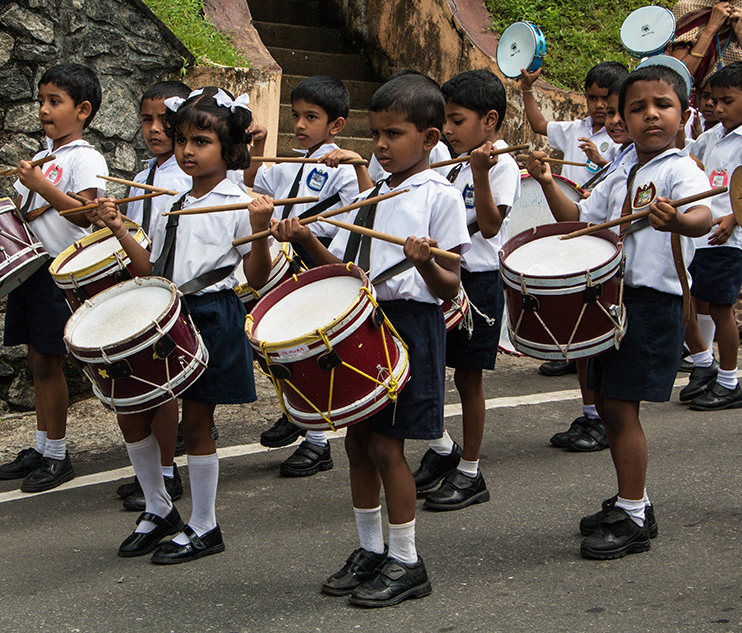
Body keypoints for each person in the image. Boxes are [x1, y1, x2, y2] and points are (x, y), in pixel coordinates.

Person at [270, 72, 469, 607]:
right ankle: (371, 548)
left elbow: (452, 284)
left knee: (387, 445)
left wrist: (428, 264)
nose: (380, 146)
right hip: (364, 321)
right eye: (376, 134)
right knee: (357, 441)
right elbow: (345, 270)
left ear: (429, 139)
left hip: (411, 325)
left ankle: (407, 559)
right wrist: (308, 238)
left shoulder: (440, 196)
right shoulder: (372, 193)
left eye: (394, 135)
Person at [525, 65, 713, 559]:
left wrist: (678, 218)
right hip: (614, 301)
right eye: (637, 108)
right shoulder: (620, 167)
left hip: (651, 303)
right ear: (623, 119)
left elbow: (703, 216)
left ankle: (632, 513)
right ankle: (636, 500)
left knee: (623, 410)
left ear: (684, 113)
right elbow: (581, 224)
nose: (650, 115)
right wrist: (547, 182)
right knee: (607, 403)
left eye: (663, 105)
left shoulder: (679, 167)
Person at [96, 87, 273, 564]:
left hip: (213, 314)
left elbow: (256, 277)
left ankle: (204, 523)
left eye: (201, 142)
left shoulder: (240, 202)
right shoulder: (171, 200)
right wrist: (117, 228)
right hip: (165, 313)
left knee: (197, 422)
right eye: (182, 141)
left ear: (230, 151)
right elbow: (149, 268)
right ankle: (158, 508)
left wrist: (259, 232)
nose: (187, 151)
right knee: (132, 408)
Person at [0, 63, 106, 492]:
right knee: (37, 362)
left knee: (49, 362)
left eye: (55, 102)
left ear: (83, 109)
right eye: (41, 101)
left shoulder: (85, 157)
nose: (43, 110)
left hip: (61, 271)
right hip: (30, 271)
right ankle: (42, 445)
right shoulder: (40, 159)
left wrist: (39, 181)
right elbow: (16, 219)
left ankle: (58, 454)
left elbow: (86, 213)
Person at [244, 75, 371, 477]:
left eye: (310, 117)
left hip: (314, 265)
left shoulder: (345, 170)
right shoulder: (287, 162)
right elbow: (253, 184)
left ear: (336, 125)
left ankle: (318, 442)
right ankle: (298, 412)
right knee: (272, 347)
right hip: (281, 263)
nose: (299, 125)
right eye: (296, 116)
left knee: (308, 352)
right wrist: (259, 148)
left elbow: (353, 225)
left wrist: (304, 235)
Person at [412, 70, 518, 510]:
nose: (448, 130)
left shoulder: (503, 163)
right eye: (445, 121)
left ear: (489, 120)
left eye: (457, 120)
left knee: (467, 377)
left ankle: (471, 471)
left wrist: (481, 173)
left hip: (477, 280)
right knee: (426, 365)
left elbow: (491, 225)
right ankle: (441, 449)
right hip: (440, 275)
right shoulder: (448, 161)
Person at [114, 80, 192, 513]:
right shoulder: (143, 174)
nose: (155, 129)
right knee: (144, 381)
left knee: (162, 386)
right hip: (137, 280)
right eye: (147, 119)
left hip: (165, 283)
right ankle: (153, 472)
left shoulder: (185, 176)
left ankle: (166, 471)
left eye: (166, 121)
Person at [549, 77, 632, 453]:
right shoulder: (619, 164)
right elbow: (582, 216)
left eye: (618, 111)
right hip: (599, 269)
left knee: (619, 394)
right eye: (609, 111)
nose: (611, 119)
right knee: (587, 350)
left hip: (626, 282)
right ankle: (591, 413)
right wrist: (546, 182)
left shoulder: (661, 166)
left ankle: (600, 419)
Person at [680, 61, 742, 410]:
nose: (718, 108)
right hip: (701, 234)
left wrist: (734, 217)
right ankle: (704, 366)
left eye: (727, 101)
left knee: (721, 308)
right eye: (714, 100)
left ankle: (730, 382)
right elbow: (691, 158)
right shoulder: (712, 136)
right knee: (693, 300)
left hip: (729, 240)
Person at [521, 61, 629, 186]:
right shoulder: (576, 128)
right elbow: (538, 125)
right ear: (585, 97)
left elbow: (623, 179)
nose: (599, 105)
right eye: (593, 98)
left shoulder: (622, 138)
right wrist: (526, 89)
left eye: (605, 98)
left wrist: (600, 161)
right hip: (565, 203)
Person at [672, 0, 742, 89]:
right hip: (695, 102)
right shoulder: (688, 8)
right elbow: (676, 77)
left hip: (740, 101)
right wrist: (710, 28)